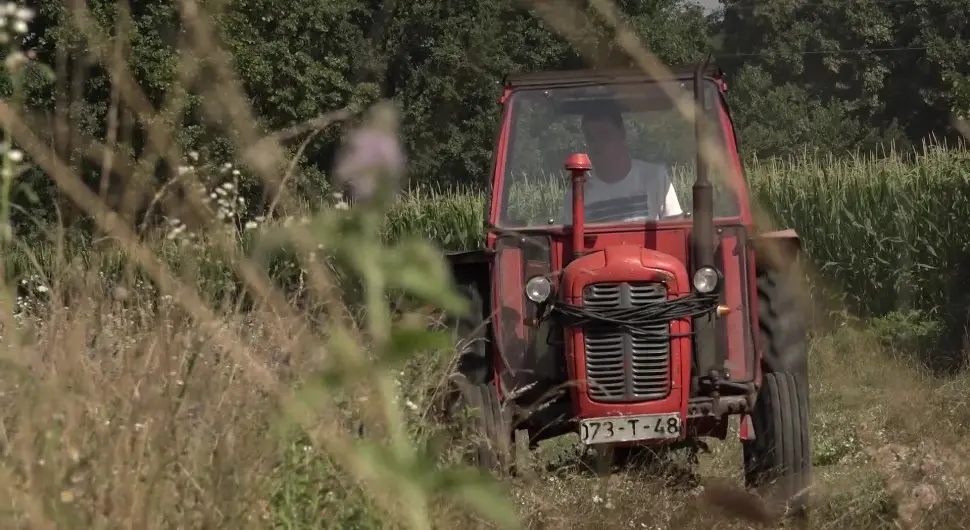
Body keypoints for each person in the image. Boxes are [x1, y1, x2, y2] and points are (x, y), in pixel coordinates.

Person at [559, 103, 684, 223]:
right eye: (591, 138)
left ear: (623, 135)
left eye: (603, 135)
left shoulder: (655, 177)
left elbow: (675, 232)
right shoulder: (578, 193)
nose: (596, 144)